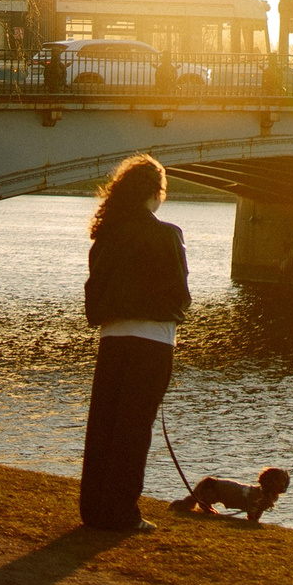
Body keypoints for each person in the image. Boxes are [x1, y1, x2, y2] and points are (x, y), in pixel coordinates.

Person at [79, 154, 190, 530]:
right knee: (134, 429)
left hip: (112, 339)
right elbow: (179, 295)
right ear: (156, 192)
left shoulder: (107, 234)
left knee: (104, 427)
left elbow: (95, 289)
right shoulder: (167, 234)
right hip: (153, 342)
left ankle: (94, 509)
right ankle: (122, 512)